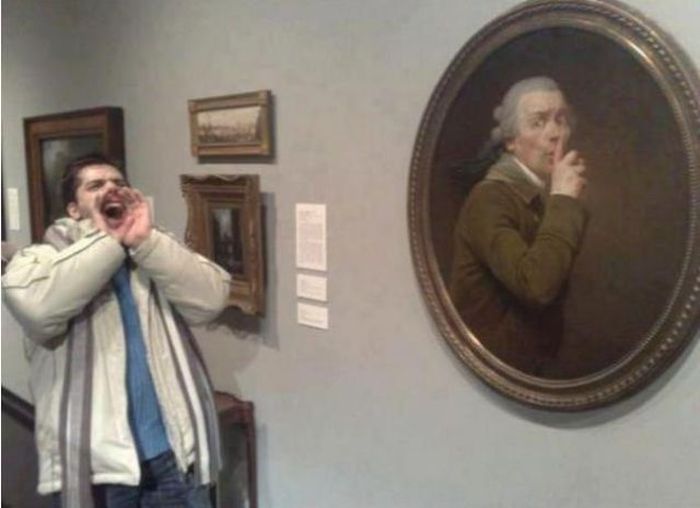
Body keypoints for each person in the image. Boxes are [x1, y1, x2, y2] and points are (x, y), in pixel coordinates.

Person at [2, 153, 231, 507]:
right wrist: (109, 242)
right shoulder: (40, 259)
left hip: (171, 454)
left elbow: (212, 299)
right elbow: (38, 309)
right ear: (73, 210)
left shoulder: (151, 251)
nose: (111, 188)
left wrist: (145, 241)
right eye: (95, 185)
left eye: (119, 183)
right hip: (98, 468)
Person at [448, 76, 588, 375]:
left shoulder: (542, 195)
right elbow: (536, 285)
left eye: (560, 120)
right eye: (538, 122)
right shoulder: (489, 199)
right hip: (490, 374)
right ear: (511, 141)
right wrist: (563, 200)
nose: (555, 133)